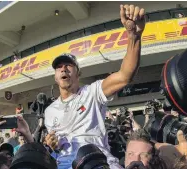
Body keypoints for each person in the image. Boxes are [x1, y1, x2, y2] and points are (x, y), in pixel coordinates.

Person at [43, 4, 145, 169]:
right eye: (59, 67)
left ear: (78, 73)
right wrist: (52, 144)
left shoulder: (92, 92)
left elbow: (125, 76)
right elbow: (57, 147)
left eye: (69, 66)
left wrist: (134, 36)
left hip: (98, 161)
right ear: (55, 77)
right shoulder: (49, 112)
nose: (63, 69)